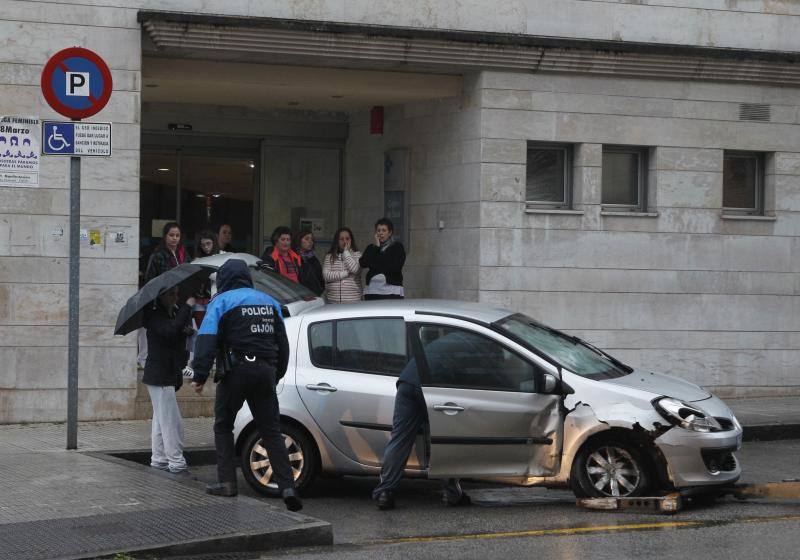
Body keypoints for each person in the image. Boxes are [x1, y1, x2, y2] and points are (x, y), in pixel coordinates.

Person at [190, 259, 302, 511]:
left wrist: (199, 375)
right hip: (265, 370)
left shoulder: (221, 302)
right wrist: (276, 374)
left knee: (223, 426)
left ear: (225, 280)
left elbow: (206, 339)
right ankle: (287, 487)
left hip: (236, 372)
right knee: (271, 430)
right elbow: (282, 344)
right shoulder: (269, 301)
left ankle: (227, 483)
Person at [372, 330, 471, 510]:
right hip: (430, 387)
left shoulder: (447, 341)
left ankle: (385, 492)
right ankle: (452, 493)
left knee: (400, 440)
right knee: (446, 439)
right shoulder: (471, 346)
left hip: (407, 384)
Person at [143, 286, 196, 475]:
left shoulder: (170, 313)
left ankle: (159, 459)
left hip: (165, 374)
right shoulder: (155, 315)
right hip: (160, 376)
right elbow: (169, 332)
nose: (176, 297)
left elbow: (173, 336)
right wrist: (187, 308)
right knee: (172, 422)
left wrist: (186, 331)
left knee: (161, 420)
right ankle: (176, 462)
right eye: (171, 294)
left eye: (177, 293)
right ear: (161, 296)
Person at [360, 218, 406, 300]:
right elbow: (363, 263)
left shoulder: (397, 247)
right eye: (378, 230)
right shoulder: (371, 248)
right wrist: (377, 248)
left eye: (384, 230)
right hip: (372, 291)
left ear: (390, 233)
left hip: (391, 291)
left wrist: (374, 262)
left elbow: (395, 267)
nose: (380, 233)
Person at [323, 227, 362, 303]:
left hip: (353, 300)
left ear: (351, 240)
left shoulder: (357, 255)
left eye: (347, 239)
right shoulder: (329, 256)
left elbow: (355, 270)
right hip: (333, 301)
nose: (345, 241)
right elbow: (326, 276)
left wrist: (346, 252)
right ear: (337, 241)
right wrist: (347, 273)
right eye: (341, 239)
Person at [296, 229, 325, 296]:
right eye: (306, 239)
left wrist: (319, 290)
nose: (310, 242)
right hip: (298, 295)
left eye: (312, 240)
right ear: (299, 240)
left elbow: (320, 278)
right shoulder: (294, 257)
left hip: (313, 295)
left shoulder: (314, 259)